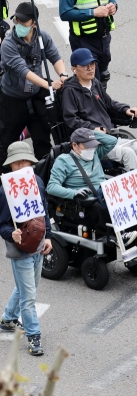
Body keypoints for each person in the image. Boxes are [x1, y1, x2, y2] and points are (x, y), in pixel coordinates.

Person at [62, 48, 137, 208]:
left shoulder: (95, 83)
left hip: (108, 138)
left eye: (92, 64)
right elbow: (71, 120)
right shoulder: (70, 91)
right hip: (91, 143)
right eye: (85, 66)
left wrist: (126, 109)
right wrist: (92, 129)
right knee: (128, 153)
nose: (90, 68)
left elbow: (109, 103)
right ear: (74, 69)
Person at [47, 128, 137, 257]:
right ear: (74, 145)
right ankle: (117, 236)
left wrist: (90, 134)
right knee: (98, 207)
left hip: (103, 195)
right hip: (82, 202)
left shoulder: (95, 153)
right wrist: (73, 193)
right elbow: (52, 187)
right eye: (87, 146)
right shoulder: (63, 161)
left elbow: (112, 141)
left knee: (133, 200)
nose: (91, 149)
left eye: (92, 145)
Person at [0, 3, 68, 170]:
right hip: (12, 100)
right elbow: (22, 71)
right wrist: (49, 84)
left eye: (24, 22)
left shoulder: (42, 37)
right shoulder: (8, 44)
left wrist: (63, 76)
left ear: (34, 24)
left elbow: (55, 57)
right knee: (5, 143)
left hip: (36, 97)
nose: (18, 24)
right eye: (16, 20)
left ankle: (42, 180)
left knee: (43, 142)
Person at [0, 141, 52, 356]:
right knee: (29, 295)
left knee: (29, 286)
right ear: (10, 166)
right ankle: (34, 337)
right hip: (20, 250)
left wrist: (48, 236)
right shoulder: (4, 191)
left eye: (25, 162)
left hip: (39, 245)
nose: (21, 166)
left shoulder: (37, 182)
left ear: (31, 163)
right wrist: (10, 234)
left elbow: (44, 211)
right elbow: (2, 224)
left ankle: (8, 318)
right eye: (16, 163)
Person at [59, 0, 117, 89]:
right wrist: (93, 13)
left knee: (103, 77)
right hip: (83, 42)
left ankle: (100, 102)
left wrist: (113, 5)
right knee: (91, 83)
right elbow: (65, 13)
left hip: (104, 39)